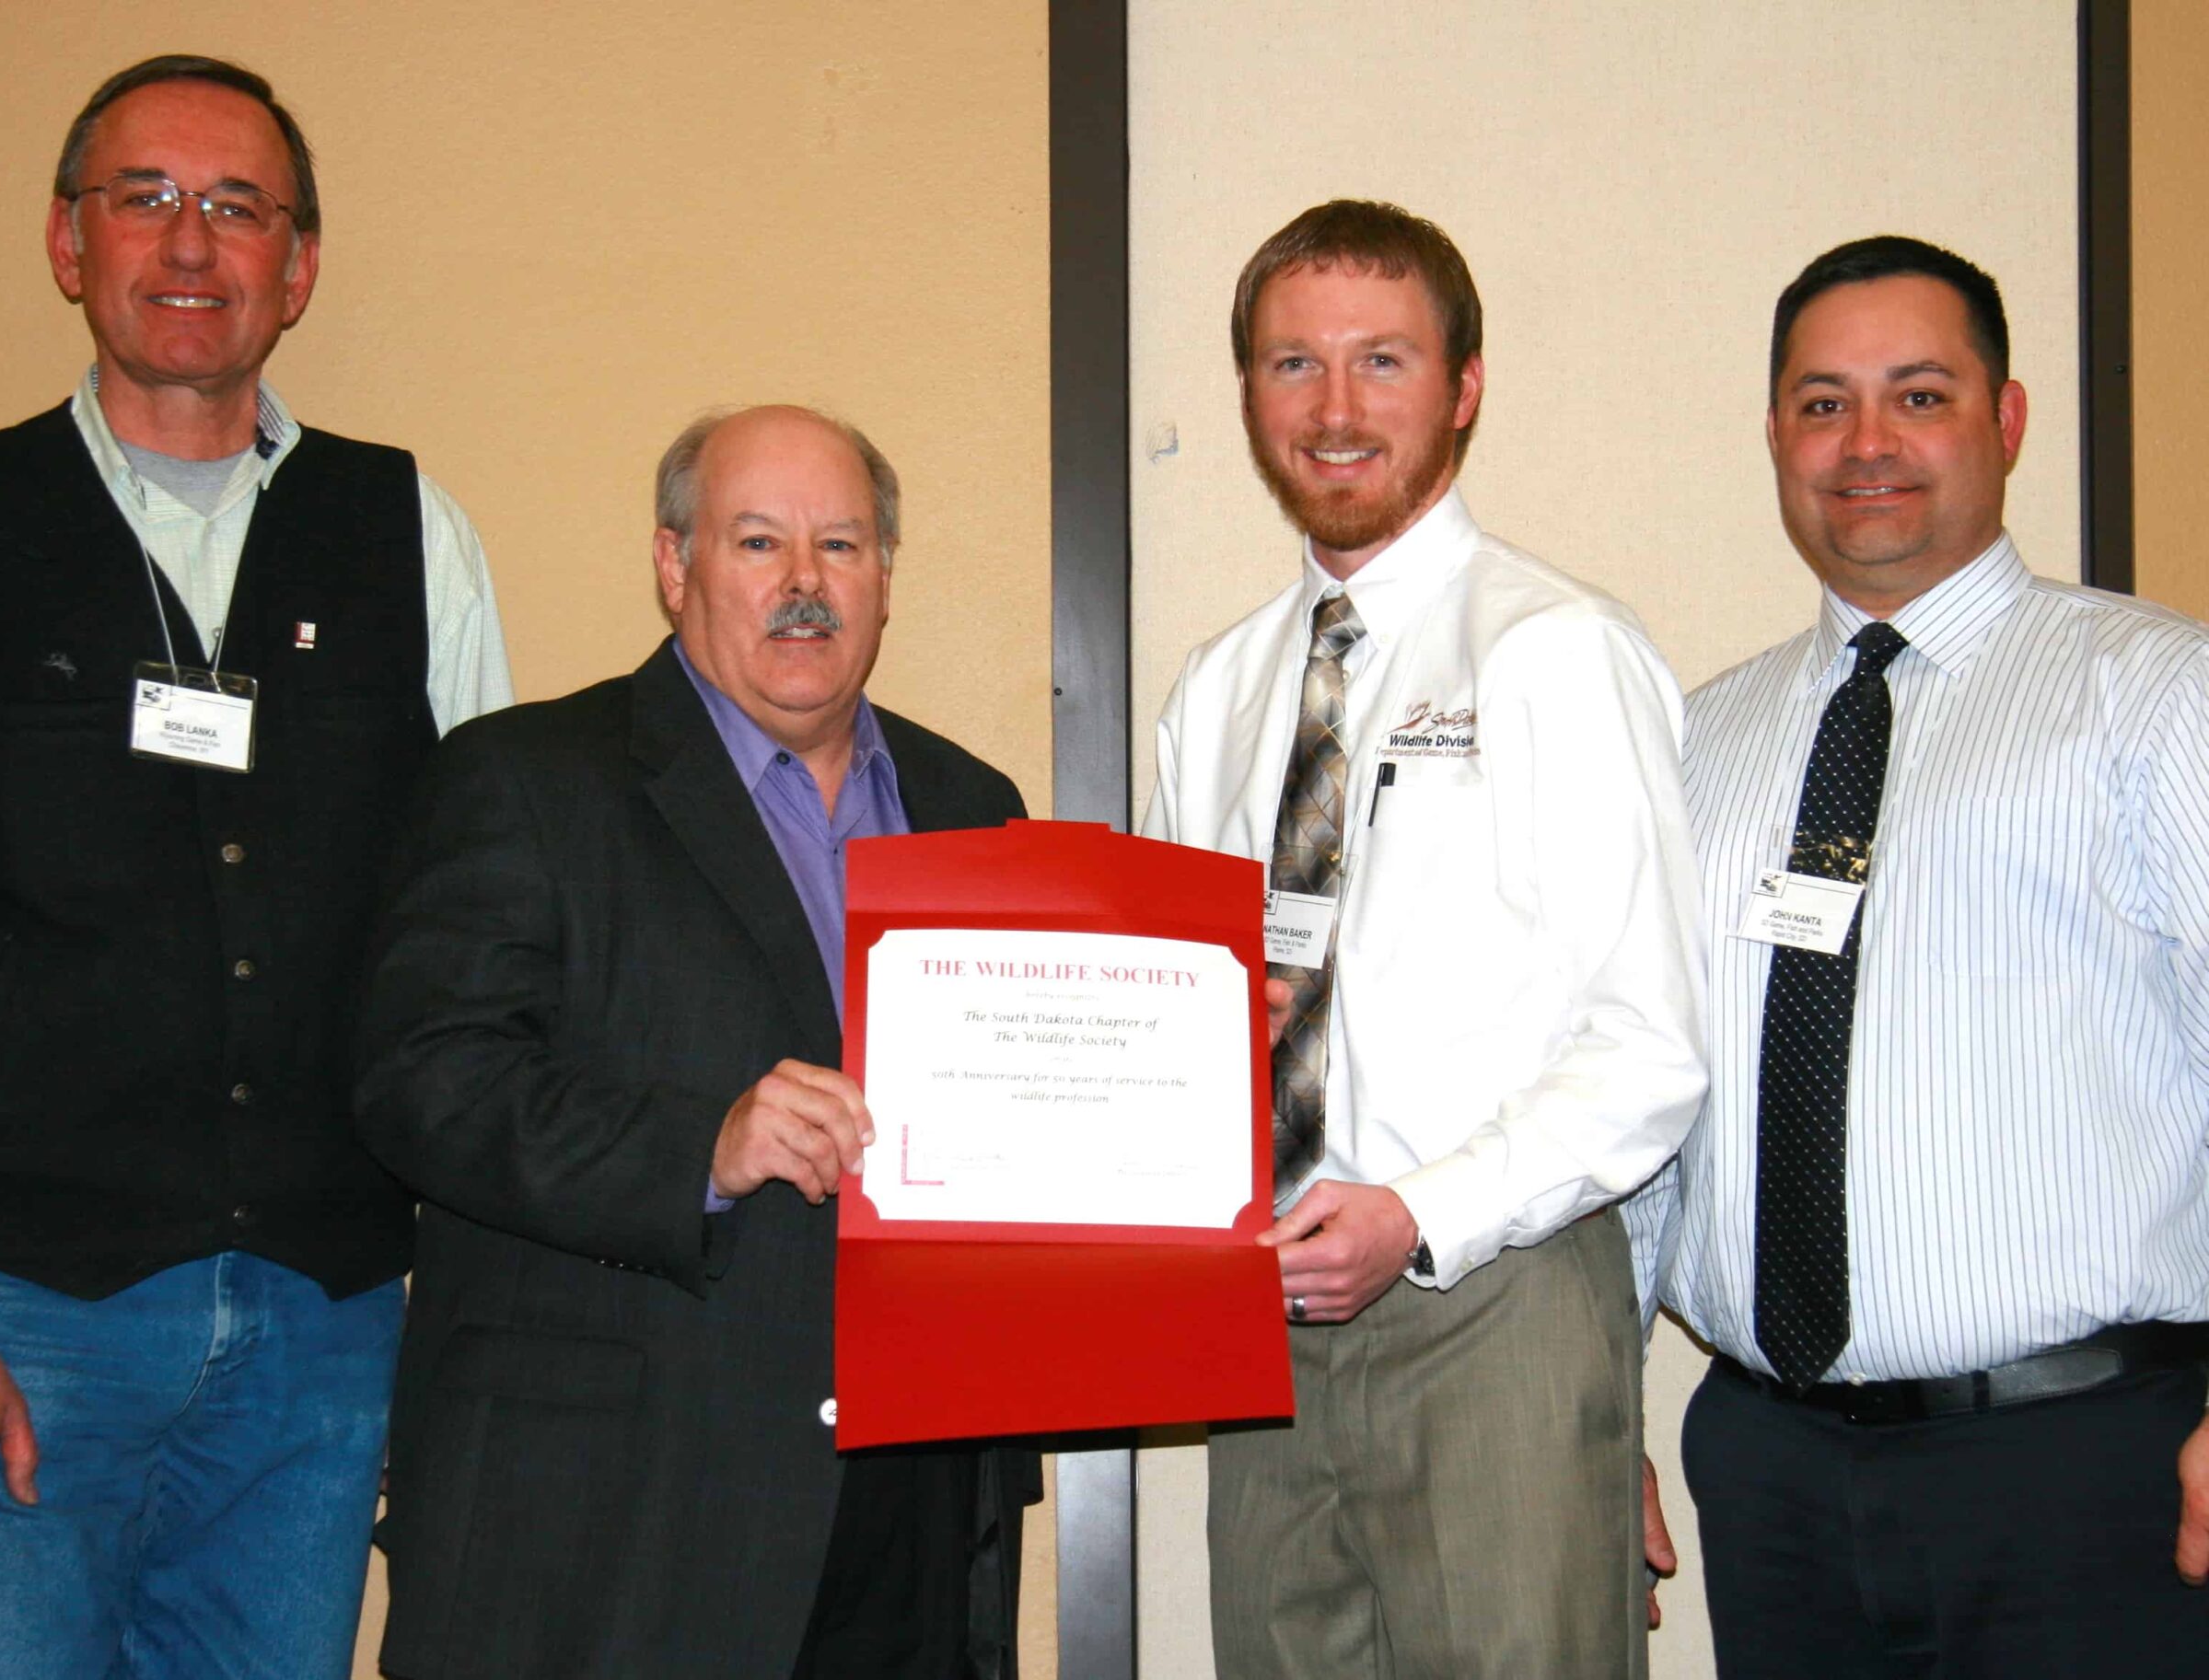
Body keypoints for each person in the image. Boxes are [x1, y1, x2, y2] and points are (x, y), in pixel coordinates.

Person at [0, 52, 511, 1678]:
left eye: (239, 207)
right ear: (70, 242)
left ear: (299, 268)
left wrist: (464, 1314)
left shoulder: (410, 528)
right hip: (26, 1313)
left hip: (332, 1319)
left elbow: (493, 947)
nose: (192, 243)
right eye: (144, 198)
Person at [355, 403, 1039, 1679]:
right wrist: (699, 1149)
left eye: (840, 545)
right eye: (756, 542)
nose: (802, 585)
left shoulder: (972, 809)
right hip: (614, 1522)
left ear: (886, 577)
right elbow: (422, 1082)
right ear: (674, 567)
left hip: (902, 1522)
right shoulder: (523, 778)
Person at [1625, 235, 2209, 1676]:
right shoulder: (1695, 744)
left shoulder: (2152, 694)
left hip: (2088, 1468)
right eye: (1823, 403)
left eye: (1920, 395)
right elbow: (1642, 1110)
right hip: (1769, 1475)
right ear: (1774, 436)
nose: (1866, 443)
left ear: (2005, 422)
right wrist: (1593, 1428)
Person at [1142, 198, 1705, 1677]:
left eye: (1381, 362)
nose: (1333, 412)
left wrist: (1420, 1212)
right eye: (1291, 366)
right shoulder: (1220, 691)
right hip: (1260, 1324)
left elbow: (1650, 1050)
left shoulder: (1555, 650)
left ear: (1462, 388)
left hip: (1492, 1303)